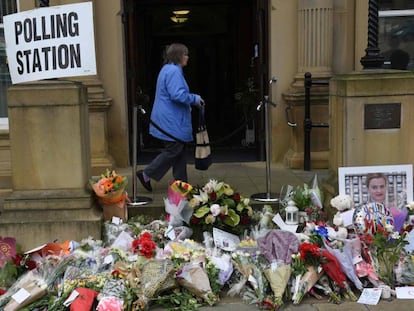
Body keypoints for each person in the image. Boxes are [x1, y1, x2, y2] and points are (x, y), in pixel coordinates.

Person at [136, 43, 205, 192]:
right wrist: (195, 99)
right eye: (185, 54)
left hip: (168, 118)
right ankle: (147, 174)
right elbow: (177, 95)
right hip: (171, 120)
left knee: (179, 150)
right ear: (178, 56)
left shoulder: (167, 69)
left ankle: (181, 184)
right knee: (174, 150)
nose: (187, 57)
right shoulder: (174, 71)